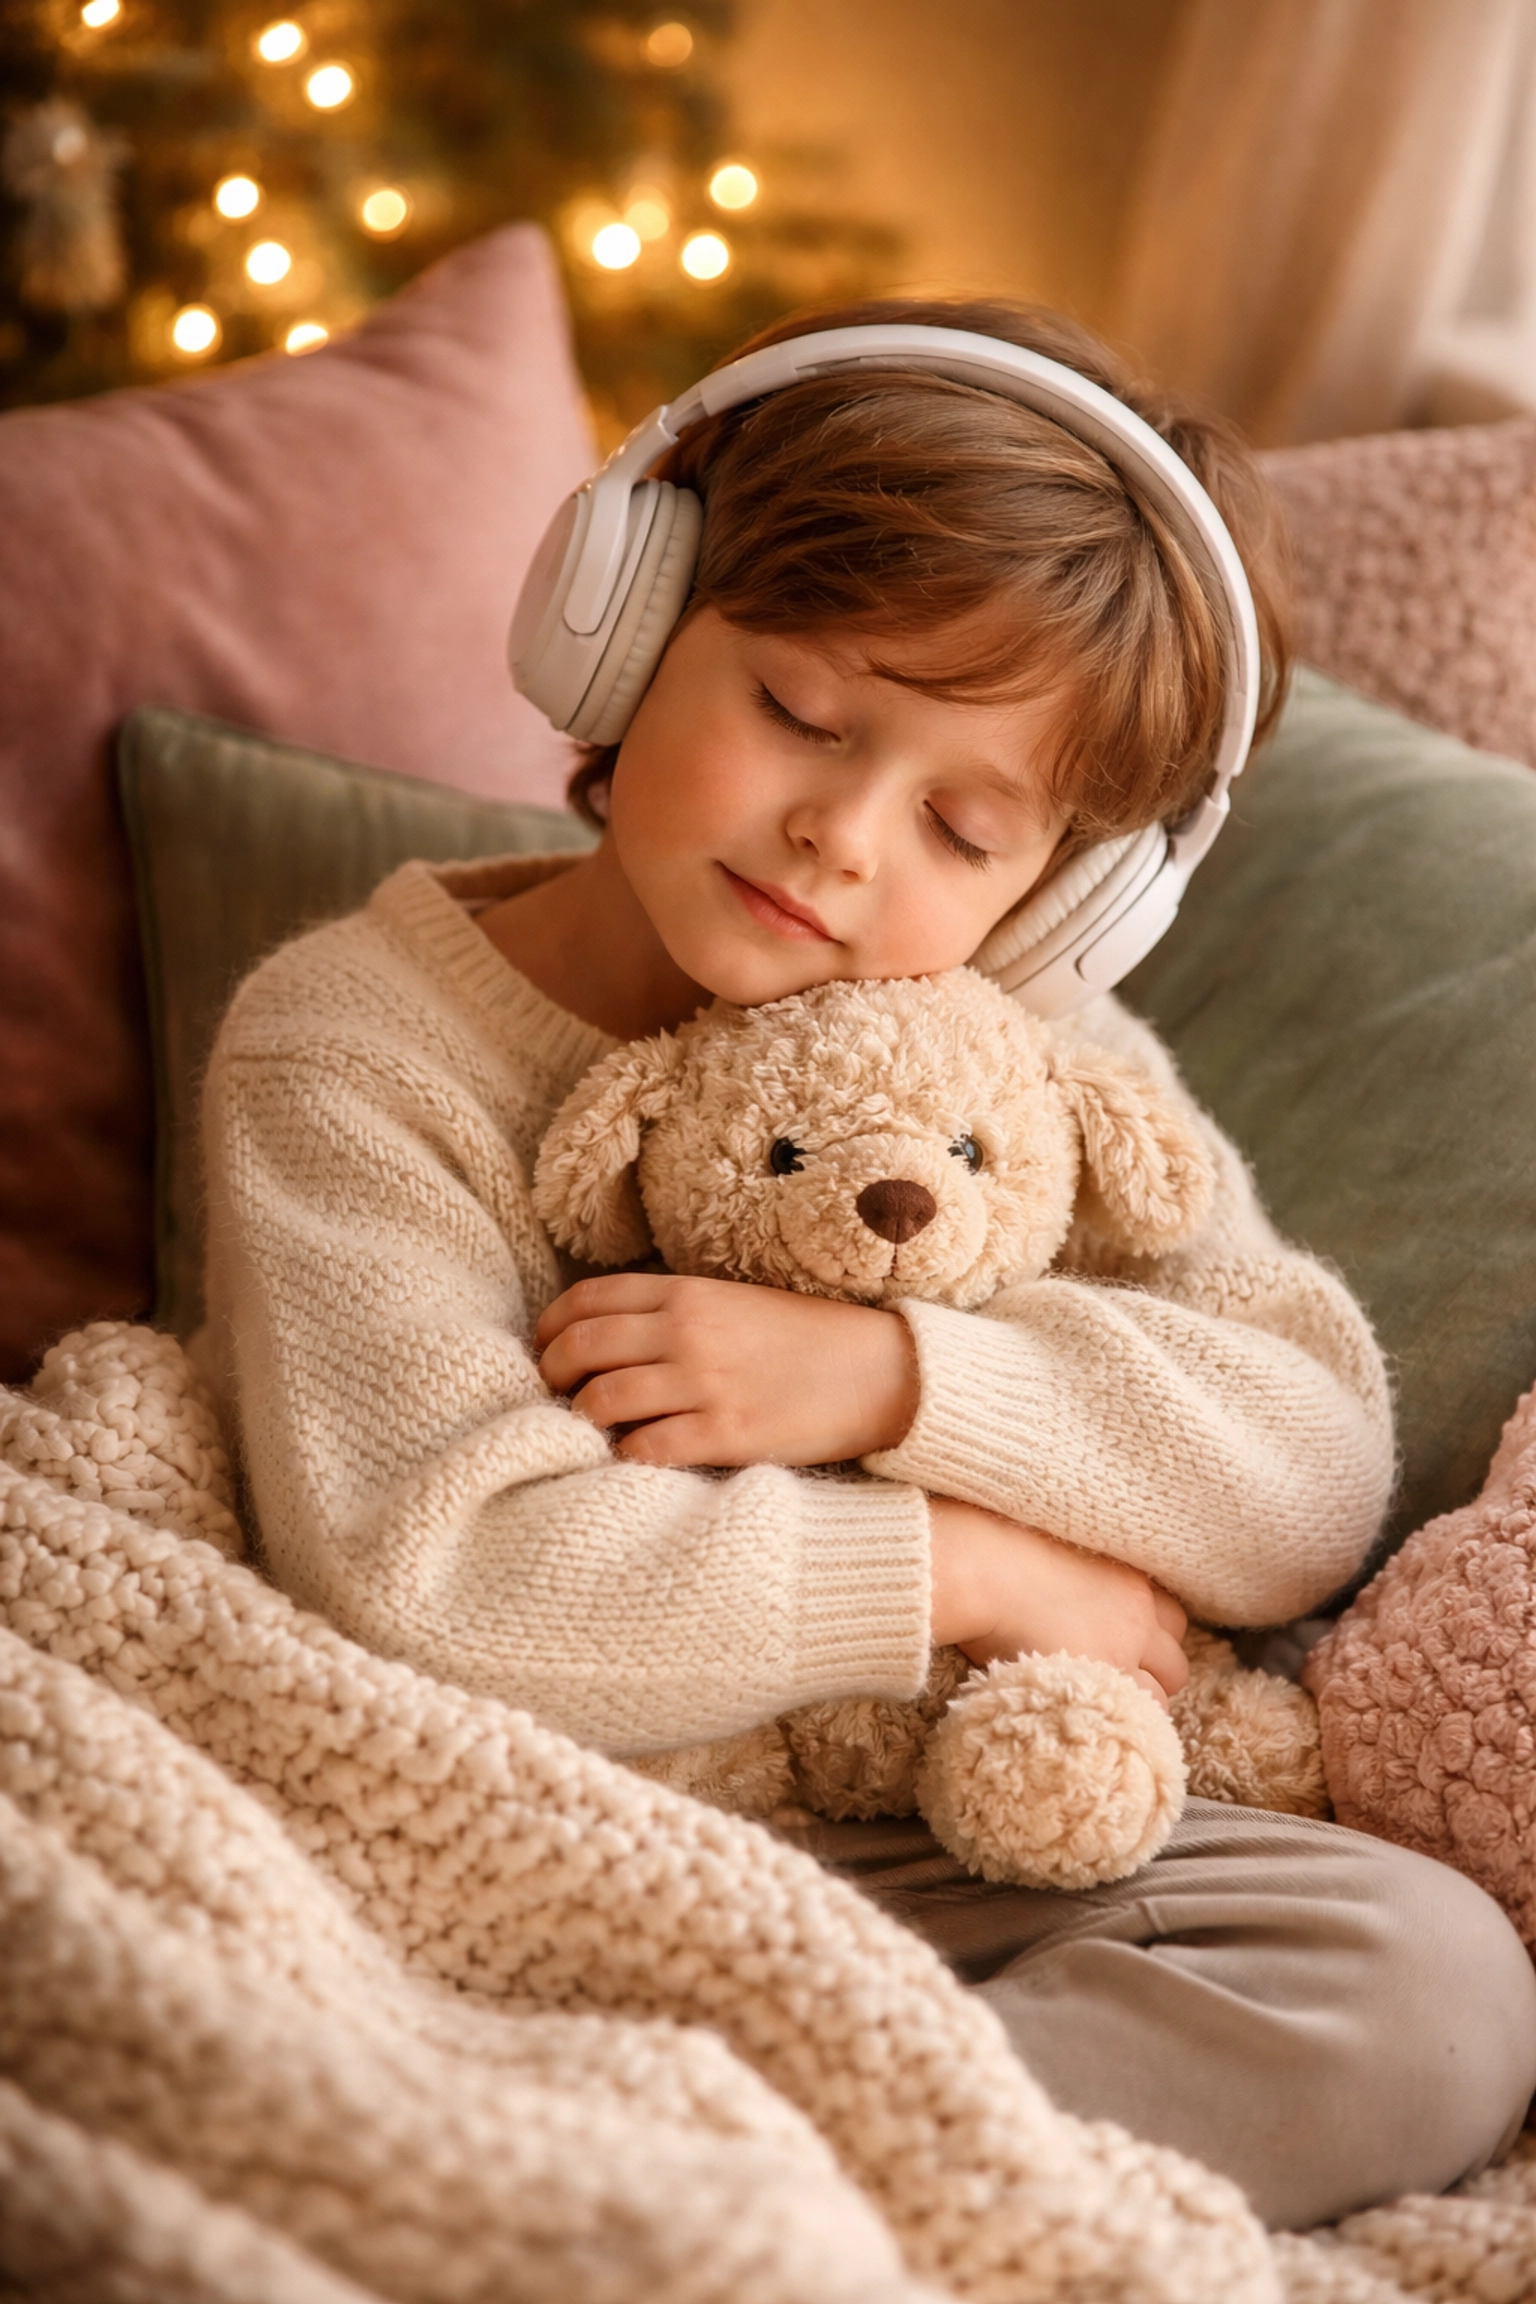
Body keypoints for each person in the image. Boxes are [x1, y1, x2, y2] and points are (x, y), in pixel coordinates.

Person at [199, 296, 1536, 2229]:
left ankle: (696, 2179)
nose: (837, 836)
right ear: (633, 618)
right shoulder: (355, 1048)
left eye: (964, 823)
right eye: (802, 714)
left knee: (1426, 1985)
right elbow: (448, 1577)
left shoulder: (1040, 1050)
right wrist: (968, 1567)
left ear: (1070, 895)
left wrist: (902, 1379)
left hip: (921, 1845)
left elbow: (1308, 1472)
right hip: (535, 1837)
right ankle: (597, 2173)